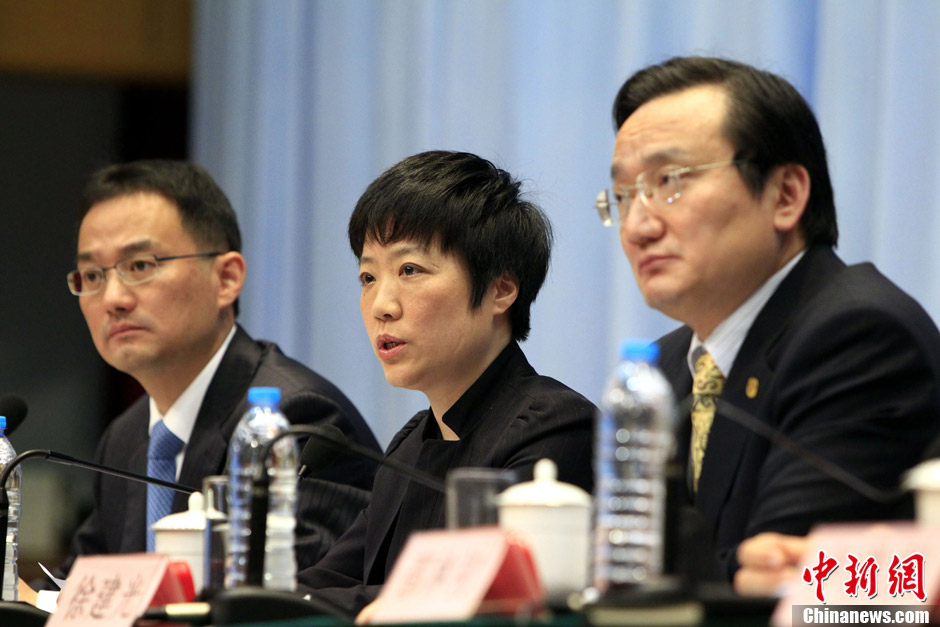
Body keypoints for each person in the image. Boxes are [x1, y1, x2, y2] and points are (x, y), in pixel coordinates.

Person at [598, 57, 940, 593]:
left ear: (785, 196)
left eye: (670, 181)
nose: (638, 225)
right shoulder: (664, 371)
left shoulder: (859, 337)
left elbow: (787, 573)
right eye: (623, 195)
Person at [22, 160, 380, 604]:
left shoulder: (296, 420)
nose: (112, 298)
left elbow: (275, 605)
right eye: (93, 275)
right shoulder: (127, 438)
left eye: (140, 265)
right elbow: (79, 582)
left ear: (226, 278)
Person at [296, 150, 595, 619]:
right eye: (368, 277)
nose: (382, 305)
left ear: (500, 289)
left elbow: (473, 596)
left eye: (409, 270)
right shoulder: (410, 445)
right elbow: (325, 584)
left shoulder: (553, 427)